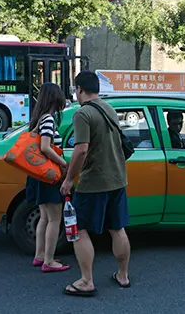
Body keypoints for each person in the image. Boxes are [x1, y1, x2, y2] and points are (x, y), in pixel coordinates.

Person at [60, 71, 131, 297]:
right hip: (117, 178)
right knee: (117, 228)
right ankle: (123, 275)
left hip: (94, 182)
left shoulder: (83, 113)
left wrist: (69, 179)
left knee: (79, 230)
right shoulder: (108, 108)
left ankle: (86, 280)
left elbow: (81, 149)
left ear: (79, 89)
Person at [25, 82, 71, 272]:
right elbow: (45, 147)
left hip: (38, 176)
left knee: (44, 217)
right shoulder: (49, 120)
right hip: (48, 176)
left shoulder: (38, 118)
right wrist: (63, 163)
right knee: (54, 219)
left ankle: (40, 255)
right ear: (55, 98)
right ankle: (49, 261)